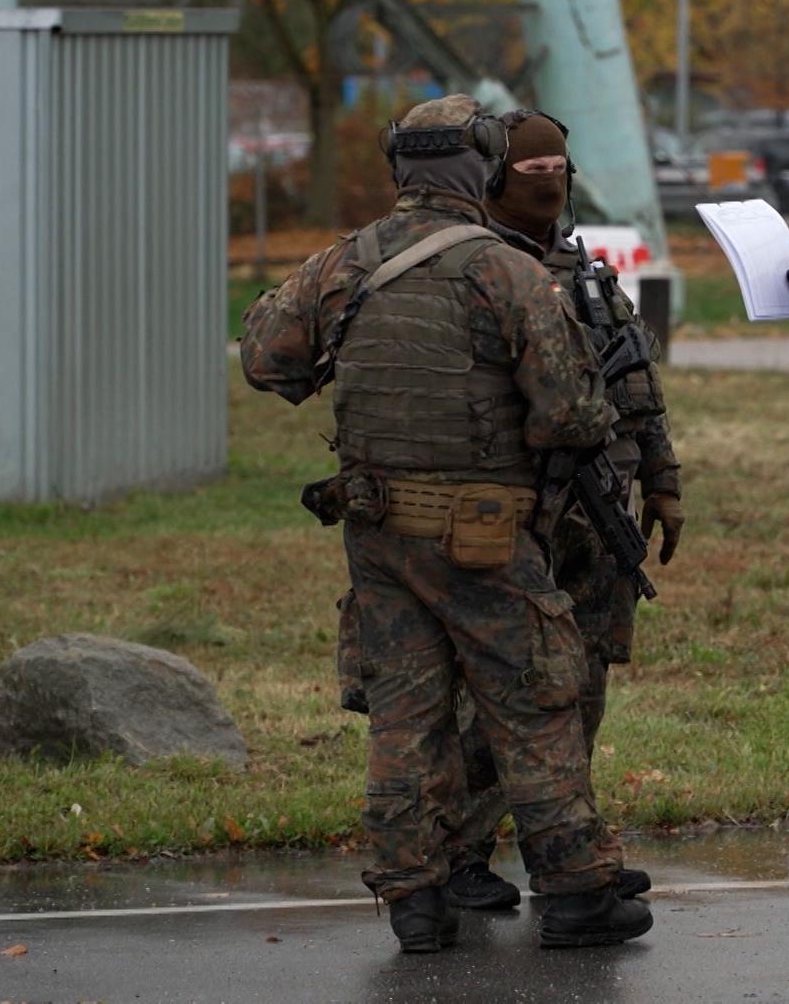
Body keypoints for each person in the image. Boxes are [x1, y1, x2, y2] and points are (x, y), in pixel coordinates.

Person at [237, 94, 653, 952]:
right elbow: (576, 414)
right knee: (535, 702)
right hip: (486, 534)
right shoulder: (507, 272)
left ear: (400, 168)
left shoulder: (343, 263)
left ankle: (414, 901)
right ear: (487, 166)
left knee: (404, 716)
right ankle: (576, 891)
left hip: (378, 535)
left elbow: (264, 359)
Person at [440, 107, 684, 912]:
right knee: (502, 692)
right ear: (493, 179)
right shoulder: (475, 272)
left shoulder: (586, 274)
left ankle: (572, 845)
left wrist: (662, 478)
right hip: (520, 513)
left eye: (559, 174)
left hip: (601, 514)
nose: (548, 186)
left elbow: (635, 386)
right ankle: (460, 855)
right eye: (531, 173)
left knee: (582, 686)